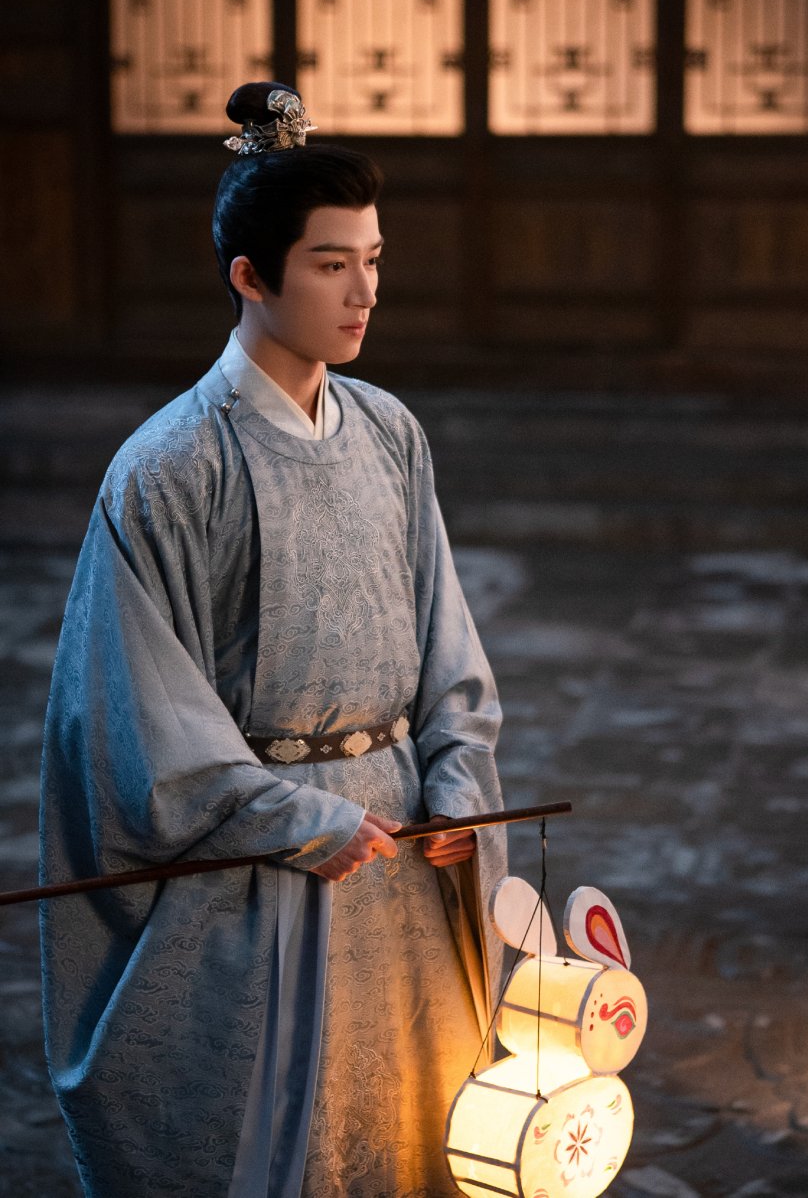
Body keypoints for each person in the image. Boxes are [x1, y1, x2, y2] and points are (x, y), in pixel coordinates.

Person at [39, 82, 506, 1198]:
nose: (365, 293)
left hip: (406, 852)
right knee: (286, 1140)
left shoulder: (389, 431)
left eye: (373, 260)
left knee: (416, 1126)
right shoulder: (170, 466)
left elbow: (447, 638)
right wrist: (293, 819)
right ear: (250, 276)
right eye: (331, 265)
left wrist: (456, 780)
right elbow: (138, 713)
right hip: (265, 864)